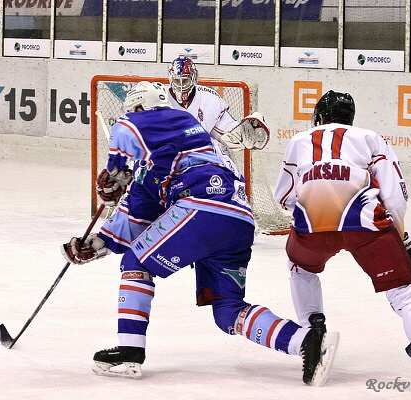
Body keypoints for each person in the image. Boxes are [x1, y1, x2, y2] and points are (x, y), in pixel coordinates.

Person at [61, 81, 339, 385]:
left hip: (204, 207)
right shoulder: (160, 158)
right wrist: (95, 244)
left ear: (142, 108)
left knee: (135, 262)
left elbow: (128, 127)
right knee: (228, 312)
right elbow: (134, 217)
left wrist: (116, 168)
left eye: (136, 111)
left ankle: (130, 351)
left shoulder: (175, 120)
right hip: (237, 224)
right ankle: (307, 342)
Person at [273, 90, 411, 390]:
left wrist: (314, 207)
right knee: (403, 291)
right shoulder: (371, 138)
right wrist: (403, 240)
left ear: (320, 116)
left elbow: (283, 197)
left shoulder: (299, 140)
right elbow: (394, 197)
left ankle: (312, 336)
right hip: (365, 225)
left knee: (301, 268)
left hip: (312, 224)